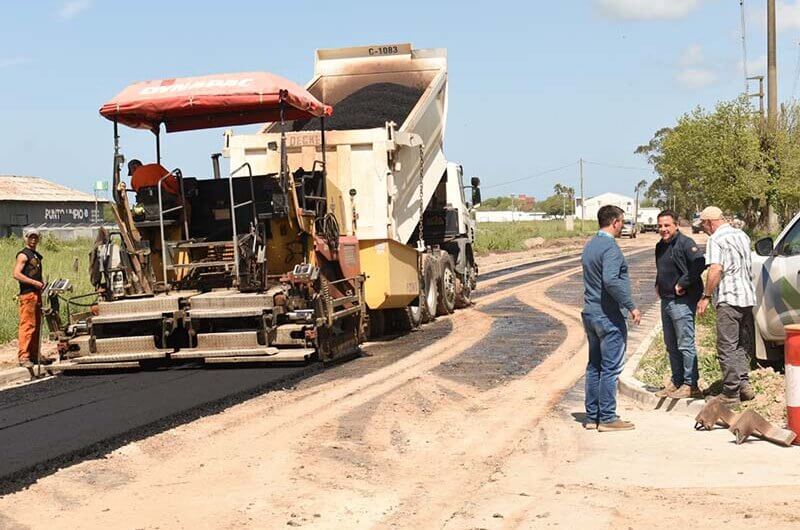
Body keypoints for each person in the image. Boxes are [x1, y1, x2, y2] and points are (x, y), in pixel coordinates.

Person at [581, 205, 642, 431]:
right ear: (615, 222)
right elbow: (611, 281)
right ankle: (607, 417)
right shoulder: (610, 248)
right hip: (607, 315)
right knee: (610, 367)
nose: (622, 226)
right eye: (622, 222)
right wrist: (631, 306)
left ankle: (592, 416)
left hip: (590, 312)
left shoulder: (590, 246)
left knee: (594, 365)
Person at [697, 206, 757, 406]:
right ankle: (744, 386)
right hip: (747, 298)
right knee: (740, 344)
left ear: (709, 222)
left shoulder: (716, 240)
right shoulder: (742, 235)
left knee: (726, 346)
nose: (704, 229)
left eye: (703, 225)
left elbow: (715, 269)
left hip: (729, 298)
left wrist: (706, 296)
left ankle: (730, 394)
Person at [654, 210, 706, 399]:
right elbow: (661, 269)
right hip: (666, 301)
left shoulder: (686, 244)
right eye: (660, 226)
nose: (663, 229)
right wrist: (657, 284)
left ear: (676, 224)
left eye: (667, 225)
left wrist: (683, 283)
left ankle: (691, 384)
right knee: (671, 344)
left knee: (685, 344)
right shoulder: (660, 246)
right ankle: (676, 381)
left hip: (682, 302)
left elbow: (699, 264)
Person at [12, 228, 46, 368]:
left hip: (36, 294)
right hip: (28, 294)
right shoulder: (23, 255)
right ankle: (24, 356)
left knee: (37, 325)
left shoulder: (35, 255)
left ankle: (35, 354)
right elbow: (16, 274)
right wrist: (34, 283)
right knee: (27, 326)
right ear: (25, 238)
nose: (33, 240)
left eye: (35, 237)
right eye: (30, 237)